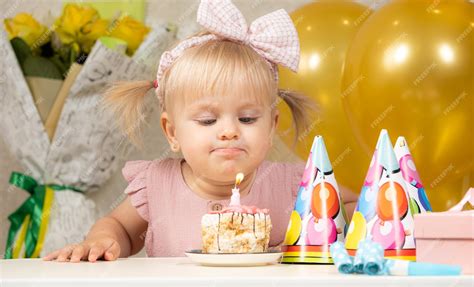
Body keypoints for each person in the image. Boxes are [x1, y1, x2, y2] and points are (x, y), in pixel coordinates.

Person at [43, 0, 357, 262]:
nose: (229, 131)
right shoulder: (156, 184)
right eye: (208, 121)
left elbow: (360, 202)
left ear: (272, 126)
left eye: (247, 119)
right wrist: (102, 241)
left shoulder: (295, 185)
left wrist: (360, 224)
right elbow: (120, 228)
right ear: (172, 132)